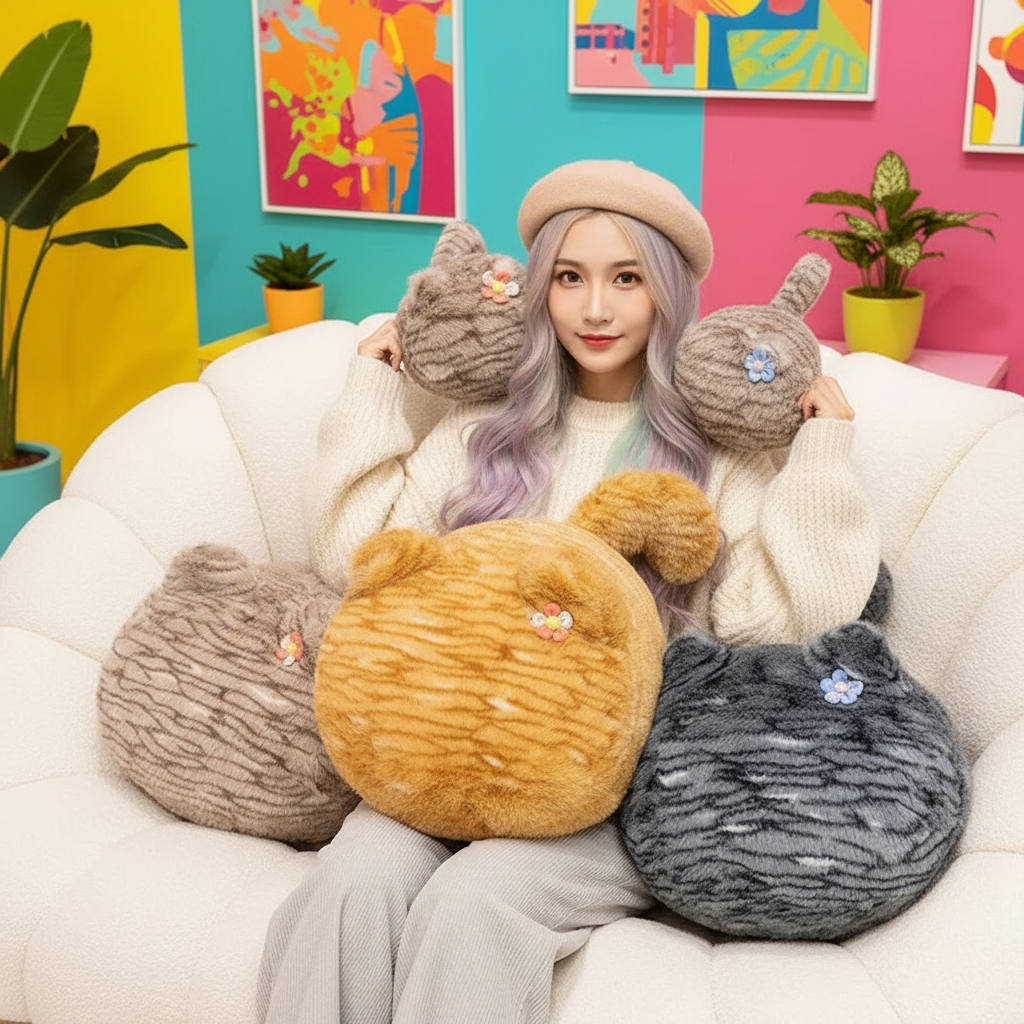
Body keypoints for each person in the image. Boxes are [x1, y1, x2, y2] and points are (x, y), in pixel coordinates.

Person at [257, 159, 880, 1024]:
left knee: (475, 901)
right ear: (539, 291)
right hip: (445, 755)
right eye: (569, 278)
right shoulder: (483, 432)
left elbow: (782, 620)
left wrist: (822, 454)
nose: (595, 309)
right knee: (353, 880)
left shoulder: (717, 453)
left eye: (626, 279)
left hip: (602, 794)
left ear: (667, 295)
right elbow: (352, 557)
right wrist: (374, 386)